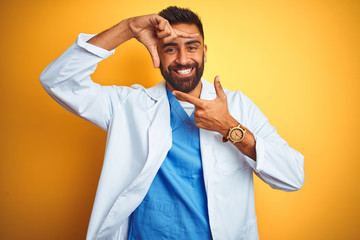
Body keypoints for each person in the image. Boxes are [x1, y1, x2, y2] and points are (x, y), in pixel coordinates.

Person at [40, 6, 304, 240]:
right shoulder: (129, 105)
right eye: (170, 48)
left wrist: (230, 128)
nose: (182, 59)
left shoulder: (238, 107)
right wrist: (127, 28)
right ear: (156, 51)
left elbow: (292, 177)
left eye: (192, 46)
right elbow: (57, 81)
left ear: (205, 51)